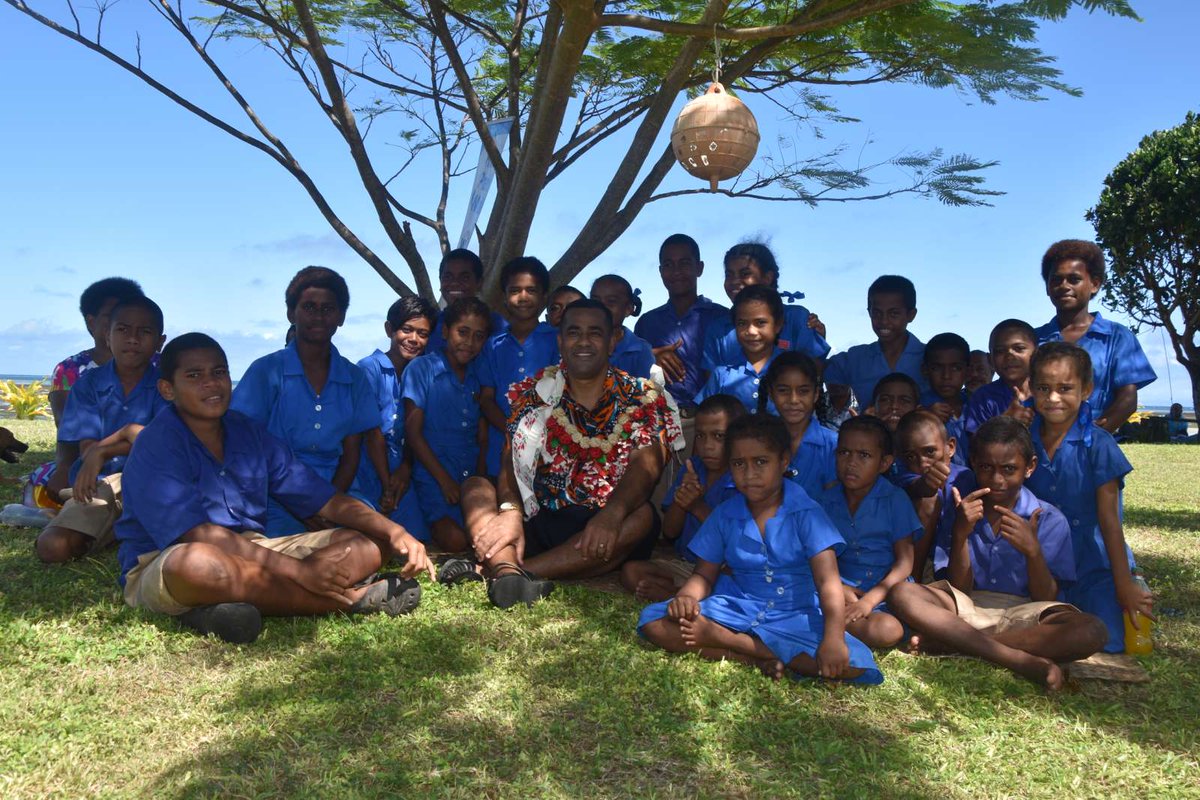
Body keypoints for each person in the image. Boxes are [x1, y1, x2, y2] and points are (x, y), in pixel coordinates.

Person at [116, 333, 434, 644]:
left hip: (254, 551)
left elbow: (325, 500)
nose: (211, 383)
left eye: (219, 372)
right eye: (194, 375)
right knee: (197, 565)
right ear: (167, 389)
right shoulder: (156, 442)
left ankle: (219, 608)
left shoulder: (247, 431)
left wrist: (394, 532)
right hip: (167, 559)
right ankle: (346, 601)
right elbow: (199, 535)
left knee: (366, 544)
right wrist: (300, 571)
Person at [448, 299, 684, 608]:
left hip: (608, 526)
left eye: (595, 333)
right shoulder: (534, 393)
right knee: (476, 487)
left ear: (613, 341)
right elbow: (510, 458)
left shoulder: (642, 396)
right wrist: (510, 511)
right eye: (574, 332)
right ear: (560, 341)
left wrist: (611, 515)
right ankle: (510, 572)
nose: (583, 341)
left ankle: (509, 571)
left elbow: (647, 464)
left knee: (641, 517)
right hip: (541, 515)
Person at [638, 413, 882, 684]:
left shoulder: (807, 513)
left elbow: (828, 584)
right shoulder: (725, 514)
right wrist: (687, 597)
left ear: (784, 461)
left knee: (853, 664)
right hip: (736, 606)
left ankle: (728, 641)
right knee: (654, 623)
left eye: (761, 462)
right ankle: (753, 657)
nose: (750, 474)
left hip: (794, 614)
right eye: (739, 464)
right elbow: (704, 575)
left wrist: (833, 639)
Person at [888, 416, 1109, 690]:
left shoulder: (1049, 519)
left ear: (1029, 468)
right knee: (902, 593)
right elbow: (960, 588)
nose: (997, 479)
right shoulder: (963, 511)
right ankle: (1015, 659)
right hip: (965, 608)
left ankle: (957, 645)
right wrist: (960, 534)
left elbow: (1045, 597)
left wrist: (1033, 552)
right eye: (985, 468)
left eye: (1009, 469)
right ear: (973, 464)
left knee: (1091, 631)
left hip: (1026, 614)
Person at [231, 267, 381, 536]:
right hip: (275, 495)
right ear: (291, 313)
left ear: (341, 316)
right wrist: (303, 505)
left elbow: (351, 454)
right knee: (281, 546)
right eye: (309, 307)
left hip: (338, 490)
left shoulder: (354, 378)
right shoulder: (266, 371)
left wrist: (327, 503)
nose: (319, 316)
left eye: (328, 308)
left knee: (372, 536)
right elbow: (245, 446)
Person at [1024, 342, 1153, 652]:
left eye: (1065, 388)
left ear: (1086, 390)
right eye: (1043, 387)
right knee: (1043, 624)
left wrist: (1124, 585)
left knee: (1107, 639)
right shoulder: (1023, 440)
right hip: (1043, 563)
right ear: (1031, 388)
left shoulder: (1099, 444)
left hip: (1096, 566)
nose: (1053, 397)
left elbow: (1110, 522)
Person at [36, 296, 168, 563]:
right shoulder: (88, 386)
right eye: (122, 330)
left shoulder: (166, 386)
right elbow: (87, 448)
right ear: (107, 336)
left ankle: (113, 528)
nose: (132, 339)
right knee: (53, 548)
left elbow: (160, 442)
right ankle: (101, 525)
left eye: (144, 332)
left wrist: (102, 451)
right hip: (99, 485)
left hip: (154, 483)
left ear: (160, 342)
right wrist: (102, 452)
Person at [620, 394, 744, 602]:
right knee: (631, 571)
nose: (708, 446)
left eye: (719, 436)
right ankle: (683, 594)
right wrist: (682, 500)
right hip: (686, 564)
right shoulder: (693, 469)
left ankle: (677, 595)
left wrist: (696, 506)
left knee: (732, 584)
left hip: (720, 569)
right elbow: (670, 531)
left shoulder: (742, 480)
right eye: (701, 436)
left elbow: (734, 541)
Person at [33, 277, 146, 502]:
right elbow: (66, 426)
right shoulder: (71, 370)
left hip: (144, 456)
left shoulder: (159, 366)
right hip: (86, 457)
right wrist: (65, 466)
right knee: (50, 484)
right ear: (91, 322)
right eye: (112, 316)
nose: (124, 325)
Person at [818, 416, 922, 649]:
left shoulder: (895, 499)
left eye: (864, 456)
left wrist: (870, 601)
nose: (851, 463)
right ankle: (836, 619)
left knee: (887, 630)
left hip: (886, 591)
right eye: (844, 453)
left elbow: (905, 563)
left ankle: (831, 622)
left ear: (884, 463)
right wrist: (839, 589)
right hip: (840, 589)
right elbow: (815, 558)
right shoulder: (825, 501)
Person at [1034, 240, 1156, 433]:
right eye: (1056, 279)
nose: (1064, 286)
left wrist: (1092, 437)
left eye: (1074, 279)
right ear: (1047, 287)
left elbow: (1127, 399)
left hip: (1092, 448)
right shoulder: (1033, 340)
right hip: (1040, 448)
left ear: (1094, 284)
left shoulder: (1117, 337)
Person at [403, 297, 493, 551]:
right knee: (456, 540)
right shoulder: (422, 369)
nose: (469, 342)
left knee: (484, 534)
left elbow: (482, 434)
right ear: (445, 331)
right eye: (462, 332)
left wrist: (481, 476)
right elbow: (413, 431)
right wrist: (443, 480)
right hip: (434, 474)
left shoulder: (478, 375)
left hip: (470, 473)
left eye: (479, 336)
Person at [354, 296, 438, 541]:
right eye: (407, 330)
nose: (414, 339)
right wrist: (386, 482)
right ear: (390, 330)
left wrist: (404, 469)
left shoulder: (421, 372)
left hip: (402, 467)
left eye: (422, 334)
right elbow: (372, 433)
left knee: (418, 536)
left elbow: (415, 432)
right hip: (369, 466)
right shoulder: (369, 368)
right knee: (369, 536)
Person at [478, 258, 560, 476]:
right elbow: (486, 398)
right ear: (505, 297)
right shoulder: (492, 345)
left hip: (550, 451)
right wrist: (513, 430)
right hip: (501, 450)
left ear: (544, 298)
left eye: (531, 290)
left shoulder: (558, 340)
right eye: (515, 290)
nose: (523, 297)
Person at [634, 234, 729, 411]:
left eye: (684, 263)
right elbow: (631, 373)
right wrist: (651, 357)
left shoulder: (722, 318)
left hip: (709, 418)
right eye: (668, 265)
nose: (676, 271)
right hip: (658, 422)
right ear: (661, 271)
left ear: (699, 268)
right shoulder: (646, 323)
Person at [701, 243, 829, 372]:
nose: (734, 281)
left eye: (745, 274)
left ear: (768, 278)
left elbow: (813, 374)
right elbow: (712, 385)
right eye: (729, 275)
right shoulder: (718, 330)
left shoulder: (797, 318)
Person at [825, 275, 928, 406]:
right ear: (869, 312)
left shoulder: (930, 358)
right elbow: (812, 370)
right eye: (877, 313)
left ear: (911, 315)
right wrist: (818, 341)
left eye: (894, 313)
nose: (884, 321)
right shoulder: (855, 359)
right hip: (868, 426)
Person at [895, 410, 970, 581]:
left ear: (950, 447)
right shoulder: (904, 476)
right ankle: (912, 581)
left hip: (956, 560)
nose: (922, 463)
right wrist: (928, 484)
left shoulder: (966, 478)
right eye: (911, 456)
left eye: (930, 452)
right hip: (918, 560)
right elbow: (921, 488)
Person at [694, 285, 784, 413]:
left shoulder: (791, 370)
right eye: (742, 323)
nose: (751, 331)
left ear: (778, 325)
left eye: (760, 323)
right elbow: (707, 418)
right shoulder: (721, 375)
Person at [759, 352, 836, 500]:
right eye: (783, 391)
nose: (793, 400)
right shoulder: (759, 442)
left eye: (803, 391)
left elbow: (834, 504)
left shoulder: (833, 445)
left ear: (815, 394)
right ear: (771, 393)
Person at [963, 319, 1037, 436]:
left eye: (1018, 348)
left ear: (1036, 352)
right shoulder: (983, 398)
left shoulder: (1048, 391)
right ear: (991, 358)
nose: (1009, 356)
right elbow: (975, 446)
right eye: (999, 351)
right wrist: (1005, 421)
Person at [426, 249, 508, 352]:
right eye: (448, 277)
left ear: (479, 283)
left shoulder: (496, 324)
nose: (454, 283)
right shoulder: (430, 323)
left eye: (464, 278)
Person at [590, 274, 655, 379]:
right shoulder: (578, 341)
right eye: (595, 301)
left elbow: (647, 391)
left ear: (628, 309)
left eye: (611, 302)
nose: (601, 307)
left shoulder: (640, 350)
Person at [920, 332, 971, 466]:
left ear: (967, 371)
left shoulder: (975, 406)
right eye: (937, 368)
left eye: (956, 368)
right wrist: (924, 418)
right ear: (925, 370)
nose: (946, 376)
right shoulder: (920, 407)